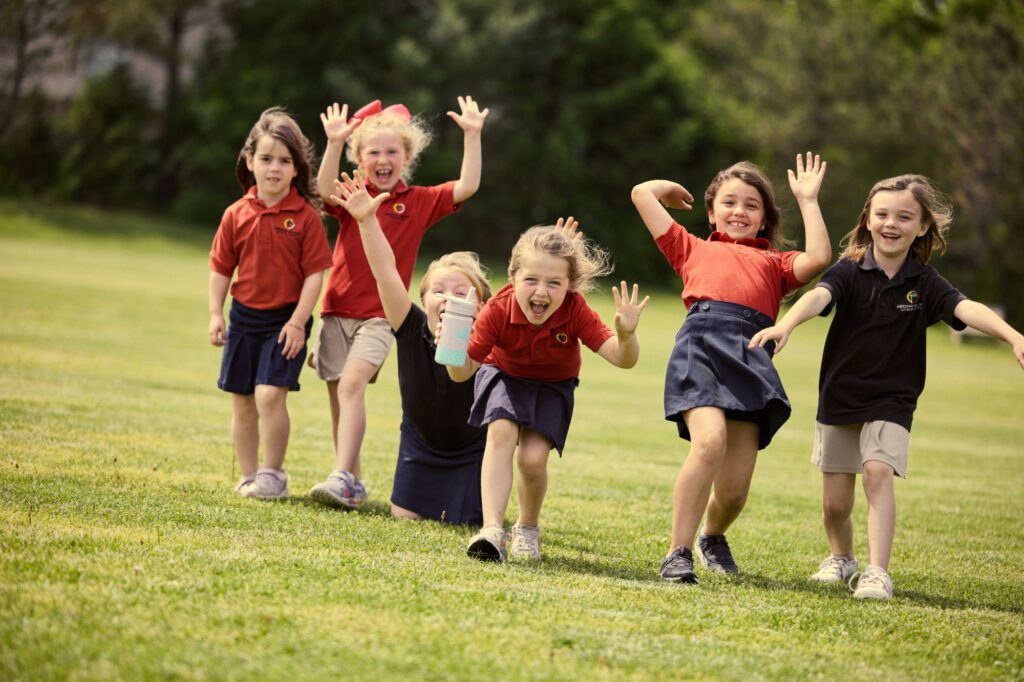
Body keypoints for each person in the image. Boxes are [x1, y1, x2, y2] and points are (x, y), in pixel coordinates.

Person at [749, 174, 1024, 599]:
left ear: (923, 227)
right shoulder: (849, 270)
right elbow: (818, 296)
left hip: (893, 398)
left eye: (904, 216)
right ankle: (842, 558)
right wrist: (786, 324)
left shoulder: (926, 283)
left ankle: (877, 572)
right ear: (868, 220)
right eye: (882, 214)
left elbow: (966, 309)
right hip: (841, 394)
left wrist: (1013, 336)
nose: (891, 223)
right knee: (835, 506)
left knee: (878, 473)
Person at [630, 153, 831, 584]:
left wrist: (809, 200)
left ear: (764, 220)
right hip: (700, 348)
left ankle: (711, 537)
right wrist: (666, 189)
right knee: (709, 443)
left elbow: (819, 257)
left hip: (750, 356)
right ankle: (676, 553)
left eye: (751, 205)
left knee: (735, 490)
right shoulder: (691, 248)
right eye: (728, 202)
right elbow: (640, 194)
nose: (739, 211)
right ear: (711, 212)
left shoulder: (776, 265)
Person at [308, 96, 489, 509]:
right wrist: (334, 142)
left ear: (407, 156)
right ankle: (349, 477)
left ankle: (341, 475)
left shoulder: (420, 200)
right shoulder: (355, 195)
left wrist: (473, 137)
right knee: (339, 395)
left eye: (392, 151)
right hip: (336, 308)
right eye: (373, 152)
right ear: (360, 158)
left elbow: (468, 186)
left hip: (381, 316)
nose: (383, 159)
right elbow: (322, 189)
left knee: (353, 385)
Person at [447, 222, 650, 562]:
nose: (541, 292)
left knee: (532, 459)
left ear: (570, 286)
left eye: (554, 283)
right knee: (500, 433)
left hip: (553, 385)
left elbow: (621, 358)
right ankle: (492, 530)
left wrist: (627, 336)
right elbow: (462, 372)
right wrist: (452, 343)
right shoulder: (498, 309)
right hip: (504, 374)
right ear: (513, 278)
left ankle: (527, 527)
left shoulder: (575, 309)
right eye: (531, 280)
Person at [330, 169, 492, 524]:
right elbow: (385, 271)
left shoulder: (488, 338)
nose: (448, 299)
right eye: (439, 291)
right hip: (419, 445)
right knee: (404, 515)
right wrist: (368, 220)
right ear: (423, 300)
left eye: (461, 293)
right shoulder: (409, 323)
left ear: (482, 306)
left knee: (467, 522)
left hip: (472, 450)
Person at [208, 107, 333, 500]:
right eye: (265, 159)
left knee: (269, 395)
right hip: (243, 317)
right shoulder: (235, 214)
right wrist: (215, 312)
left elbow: (315, 274)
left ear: (297, 168)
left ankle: (272, 474)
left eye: (284, 161)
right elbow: (220, 268)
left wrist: (298, 322)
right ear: (249, 161)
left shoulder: (306, 217)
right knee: (243, 401)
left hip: (286, 321)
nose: (274, 169)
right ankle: (248, 476)